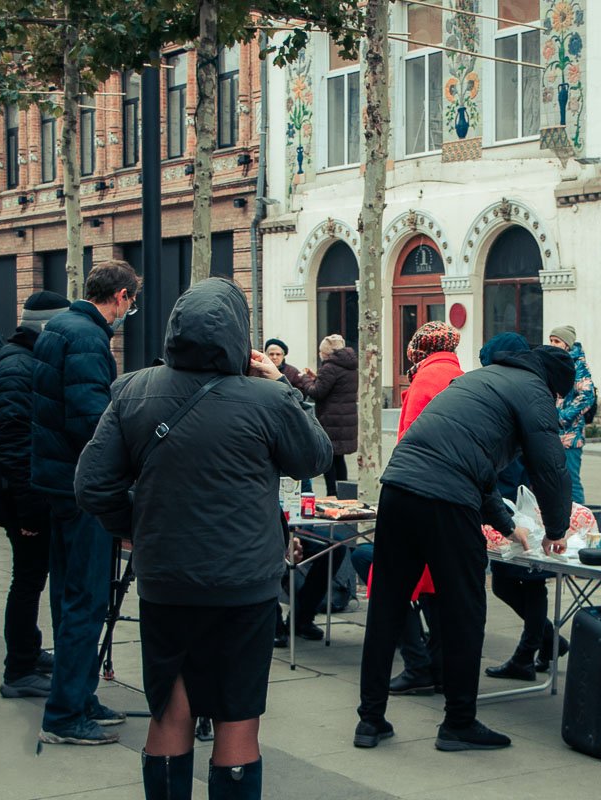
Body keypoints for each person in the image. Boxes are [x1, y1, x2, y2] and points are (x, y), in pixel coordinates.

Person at [75, 277, 332, 800]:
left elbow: (92, 485)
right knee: (238, 716)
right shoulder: (266, 399)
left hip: (169, 580)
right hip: (245, 584)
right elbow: (315, 457)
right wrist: (279, 382)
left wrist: (138, 528)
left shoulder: (133, 389)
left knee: (171, 707)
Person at [354, 344, 573, 753]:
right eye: (560, 397)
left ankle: (369, 720)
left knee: (387, 605)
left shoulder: (481, 379)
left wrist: (507, 526)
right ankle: (459, 722)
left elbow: (470, 465)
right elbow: (551, 465)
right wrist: (556, 528)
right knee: (465, 610)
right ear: (554, 386)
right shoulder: (534, 391)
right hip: (445, 499)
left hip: (399, 487)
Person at [32, 259, 141, 746]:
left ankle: (77, 693)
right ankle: (64, 715)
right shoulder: (88, 337)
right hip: (81, 489)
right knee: (87, 599)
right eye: (131, 302)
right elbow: (92, 419)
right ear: (120, 296)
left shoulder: (60, 326)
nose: (129, 312)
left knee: (66, 595)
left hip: (56, 482)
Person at [353, 321, 464, 695]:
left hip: (417, 498)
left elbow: (410, 442)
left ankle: (416, 666)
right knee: (438, 587)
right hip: (451, 500)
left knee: (391, 584)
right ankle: (438, 664)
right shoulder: (458, 375)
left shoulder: (425, 381)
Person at [0, 291, 70, 699]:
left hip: (20, 492)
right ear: (45, 327)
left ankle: (27, 651)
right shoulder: (17, 366)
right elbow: (13, 444)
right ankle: (19, 670)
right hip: (20, 496)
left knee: (30, 577)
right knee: (27, 580)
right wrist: (29, 511)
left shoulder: (19, 358)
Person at [480, 333, 570, 682]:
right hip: (507, 503)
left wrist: (554, 526)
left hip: (516, 505)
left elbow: (545, 467)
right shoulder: (516, 387)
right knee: (510, 582)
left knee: (523, 583)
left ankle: (530, 652)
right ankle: (546, 643)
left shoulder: (522, 394)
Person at [298, 334, 357, 497]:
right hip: (345, 418)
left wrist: (304, 379)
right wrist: (315, 378)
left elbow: (316, 392)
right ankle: (344, 495)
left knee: (329, 458)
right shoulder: (349, 365)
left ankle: (332, 493)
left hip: (331, 419)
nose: (320, 354)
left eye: (321, 351)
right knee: (339, 458)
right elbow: (335, 386)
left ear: (327, 352)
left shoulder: (329, 367)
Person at [547, 325, 595, 504]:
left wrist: (561, 416)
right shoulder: (553, 362)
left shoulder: (578, 365)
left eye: (557, 341)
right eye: (551, 340)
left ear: (567, 344)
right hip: (552, 433)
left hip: (570, 435)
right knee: (553, 481)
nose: (553, 344)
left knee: (571, 481)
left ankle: (581, 526)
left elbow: (587, 396)